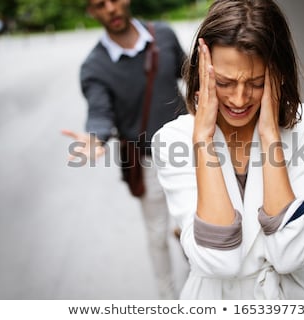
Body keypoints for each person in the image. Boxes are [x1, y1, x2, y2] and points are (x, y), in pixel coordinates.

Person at [152, 0, 304, 299]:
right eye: (224, 82)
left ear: (278, 74)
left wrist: (271, 135)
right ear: (203, 72)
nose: (239, 99)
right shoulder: (174, 139)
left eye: (256, 83)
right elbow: (217, 261)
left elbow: (292, 255)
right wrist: (203, 143)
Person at [62, 0, 187, 299]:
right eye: (99, 4)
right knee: (157, 233)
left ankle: (203, 279)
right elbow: (99, 113)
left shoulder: (165, 35)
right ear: (91, 12)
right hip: (146, 163)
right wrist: (95, 137)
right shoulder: (94, 67)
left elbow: (191, 75)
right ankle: (168, 299)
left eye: (115, 0)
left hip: (190, 153)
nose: (111, 9)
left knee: (198, 223)